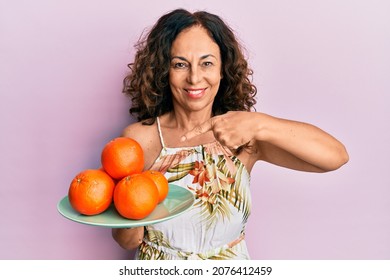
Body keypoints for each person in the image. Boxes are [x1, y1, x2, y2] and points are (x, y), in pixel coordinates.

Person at [112, 8, 349, 260]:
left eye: (207, 63)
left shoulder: (245, 137)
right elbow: (127, 241)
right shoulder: (140, 138)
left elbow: (335, 157)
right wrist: (133, 209)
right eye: (180, 64)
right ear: (163, 70)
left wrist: (259, 124)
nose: (194, 77)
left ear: (222, 69)